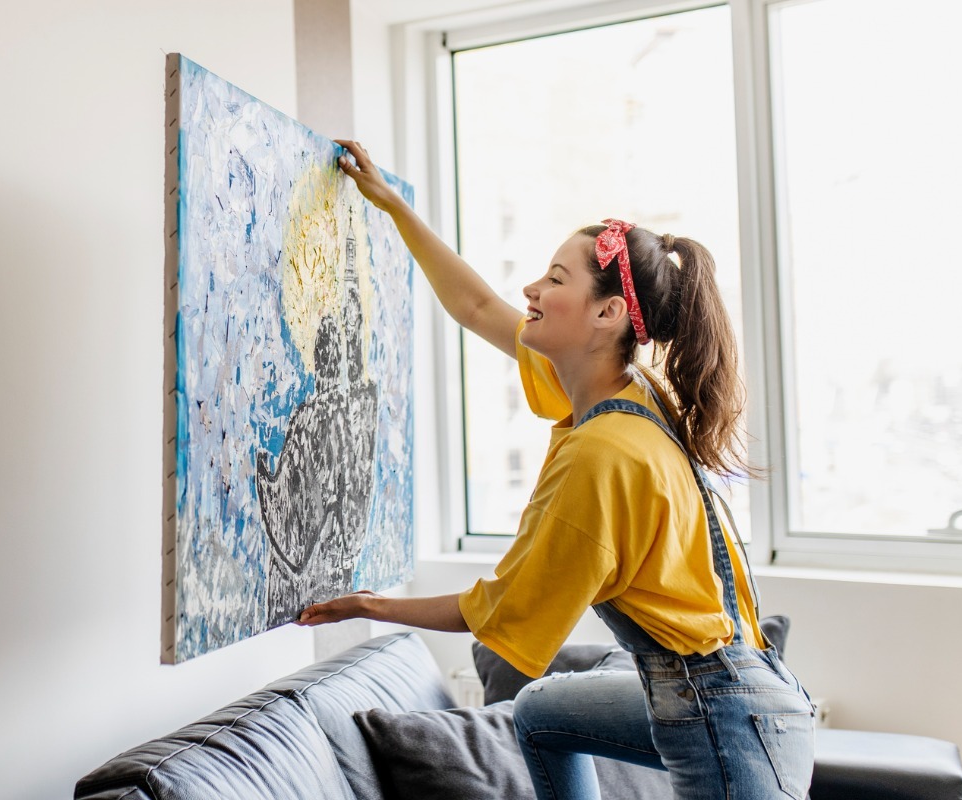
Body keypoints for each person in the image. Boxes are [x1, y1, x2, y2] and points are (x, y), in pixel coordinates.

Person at [297, 140, 815, 800]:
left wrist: (369, 605)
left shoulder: (602, 454)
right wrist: (394, 207)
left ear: (608, 314)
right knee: (541, 712)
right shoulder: (623, 393)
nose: (531, 289)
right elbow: (479, 308)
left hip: (730, 724)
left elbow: (504, 611)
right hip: (722, 687)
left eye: (555, 279)